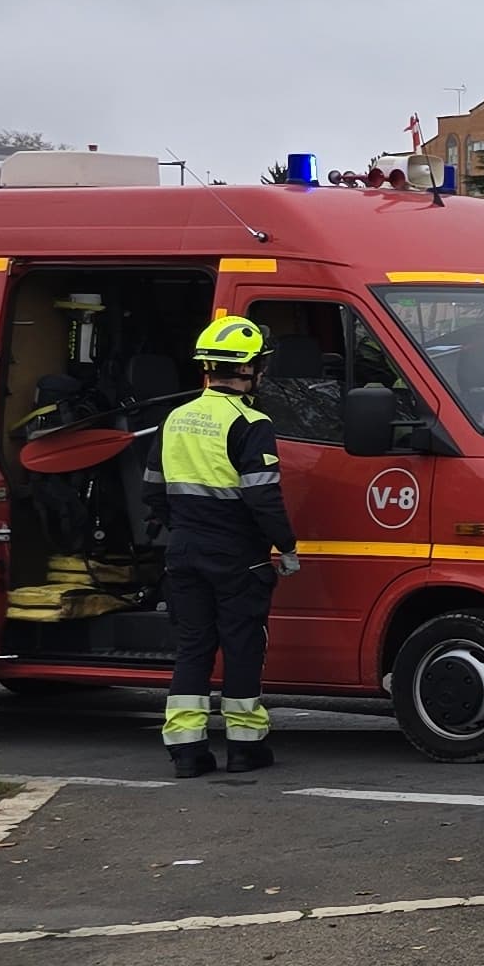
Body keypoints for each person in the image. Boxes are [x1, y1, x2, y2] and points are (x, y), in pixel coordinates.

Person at [150, 315, 301, 776]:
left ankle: (186, 750)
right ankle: (244, 745)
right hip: (237, 554)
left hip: (184, 549)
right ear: (251, 369)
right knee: (241, 646)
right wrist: (287, 547)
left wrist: (183, 526)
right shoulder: (250, 422)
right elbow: (263, 496)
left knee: (193, 646)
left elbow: (152, 492)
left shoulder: (175, 419)